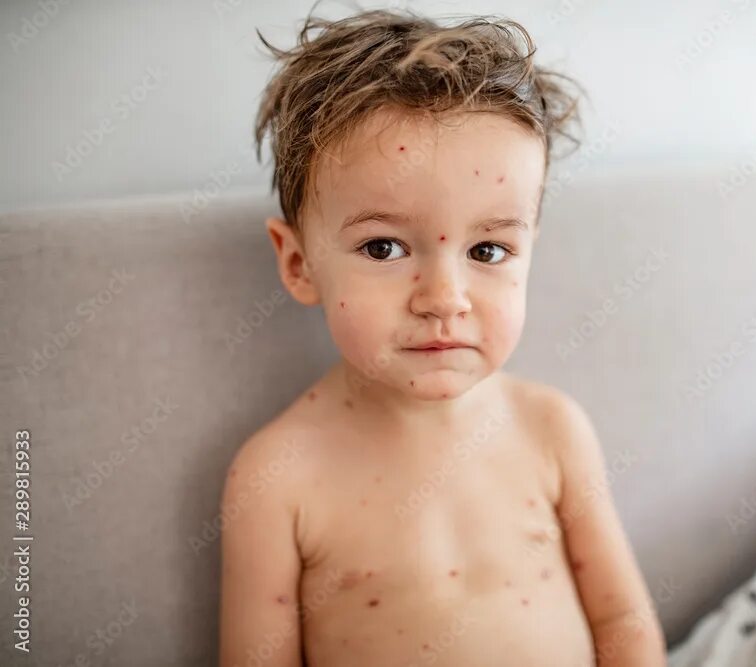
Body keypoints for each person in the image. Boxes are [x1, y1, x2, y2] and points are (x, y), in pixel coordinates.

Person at [219, 6, 668, 666]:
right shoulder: (277, 477)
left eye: (488, 251)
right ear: (298, 263)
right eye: (383, 246)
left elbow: (623, 620)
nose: (444, 300)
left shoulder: (552, 430)